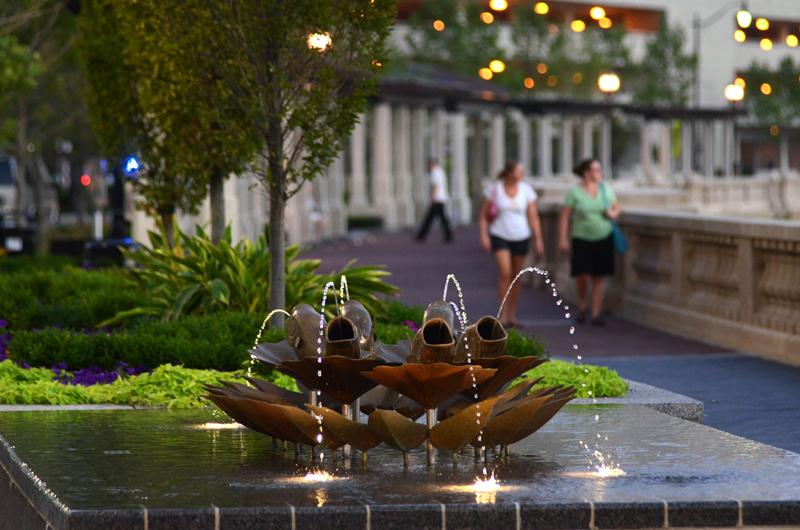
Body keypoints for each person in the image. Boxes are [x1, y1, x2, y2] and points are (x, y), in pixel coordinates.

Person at [479, 161, 544, 328]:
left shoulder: (526, 190)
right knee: (505, 272)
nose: (521, 174)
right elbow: (483, 216)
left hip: (521, 235)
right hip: (500, 234)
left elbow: (533, 216)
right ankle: (503, 314)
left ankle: (512, 314)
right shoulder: (495, 189)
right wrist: (484, 236)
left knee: (516, 276)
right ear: (509, 172)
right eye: (518, 171)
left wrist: (538, 239)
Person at [558, 158, 620, 326]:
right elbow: (565, 216)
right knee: (583, 274)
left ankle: (596, 312)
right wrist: (563, 239)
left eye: (600, 170)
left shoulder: (605, 189)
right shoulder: (575, 193)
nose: (599, 173)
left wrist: (612, 214)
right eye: (595, 170)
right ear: (586, 172)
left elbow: (616, 208)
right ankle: (582, 304)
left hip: (603, 235)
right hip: (581, 237)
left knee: (599, 275)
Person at [416, 158, 453, 243]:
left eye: (428, 165)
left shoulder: (435, 173)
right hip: (441, 198)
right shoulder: (440, 172)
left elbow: (435, 186)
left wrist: (433, 198)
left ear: (432, 164)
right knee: (440, 218)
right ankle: (448, 235)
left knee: (431, 218)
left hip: (437, 199)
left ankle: (421, 235)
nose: (428, 167)